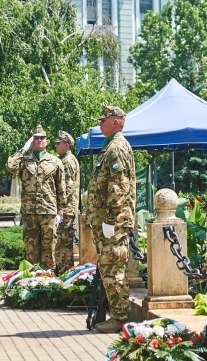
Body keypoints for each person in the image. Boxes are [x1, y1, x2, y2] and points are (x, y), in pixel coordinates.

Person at [86, 104, 136, 334]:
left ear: (115, 122)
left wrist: (109, 219)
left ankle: (119, 317)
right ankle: (117, 314)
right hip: (109, 221)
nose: (100, 124)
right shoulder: (111, 146)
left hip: (113, 223)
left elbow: (119, 187)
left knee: (113, 269)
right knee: (109, 269)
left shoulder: (116, 148)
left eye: (103, 120)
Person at [6, 125, 64, 271]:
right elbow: (10, 166)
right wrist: (24, 149)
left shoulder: (55, 162)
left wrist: (61, 212)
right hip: (30, 213)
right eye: (36, 138)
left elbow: (61, 188)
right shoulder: (24, 161)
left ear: (47, 141)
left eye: (42, 138)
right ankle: (30, 282)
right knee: (30, 250)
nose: (39, 140)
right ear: (32, 141)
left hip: (48, 212)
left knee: (49, 249)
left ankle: (49, 282)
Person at [54, 130, 80, 274]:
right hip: (67, 209)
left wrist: (61, 210)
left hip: (66, 210)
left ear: (66, 145)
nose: (55, 146)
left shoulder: (67, 161)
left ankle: (65, 274)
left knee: (63, 246)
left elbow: (68, 188)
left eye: (58, 143)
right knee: (62, 244)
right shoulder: (64, 160)